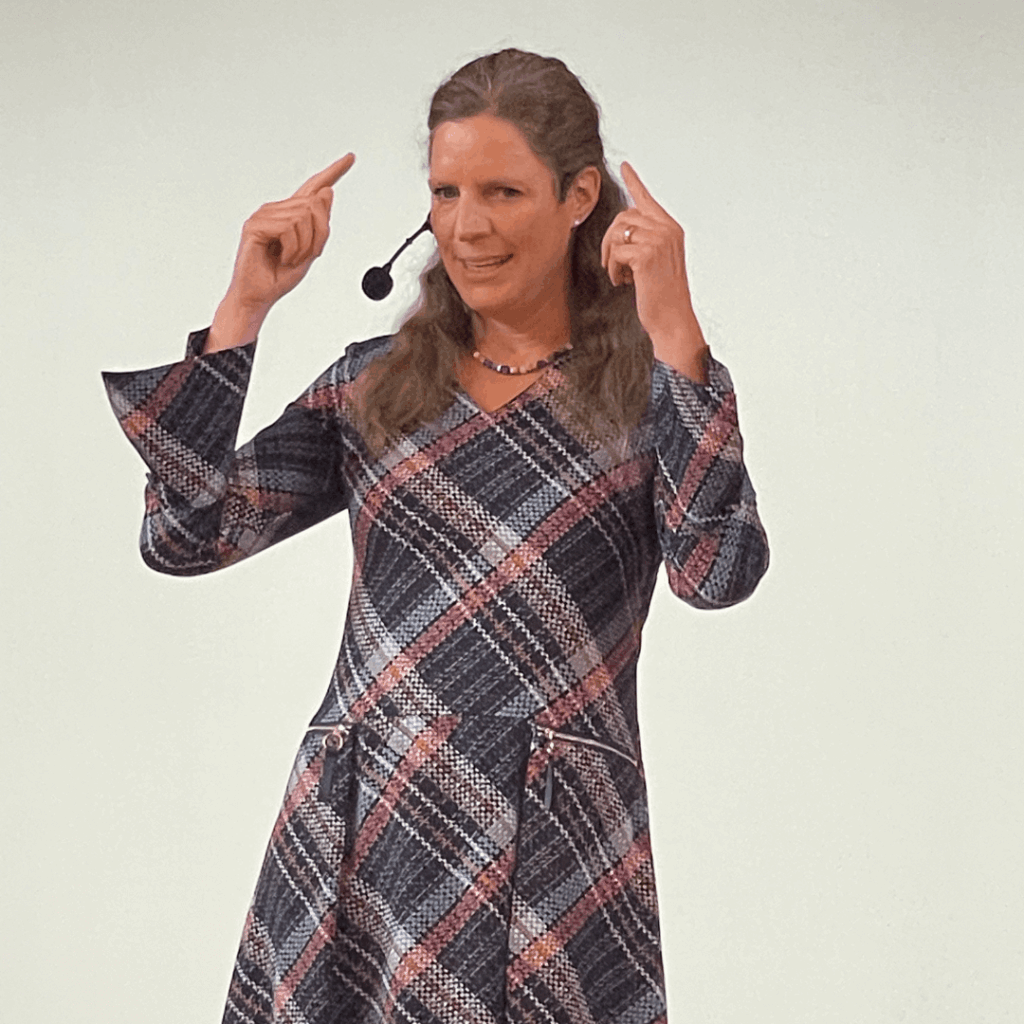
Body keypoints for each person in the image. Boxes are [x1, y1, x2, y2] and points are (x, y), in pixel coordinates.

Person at [103, 47, 768, 1024]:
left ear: (580, 196)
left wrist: (674, 332)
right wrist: (243, 308)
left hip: (552, 850)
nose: (466, 225)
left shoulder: (646, 392)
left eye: (503, 191)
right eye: (446, 192)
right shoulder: (372, 384)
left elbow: (716, 571)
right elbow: (185, 534)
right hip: (364, 832)